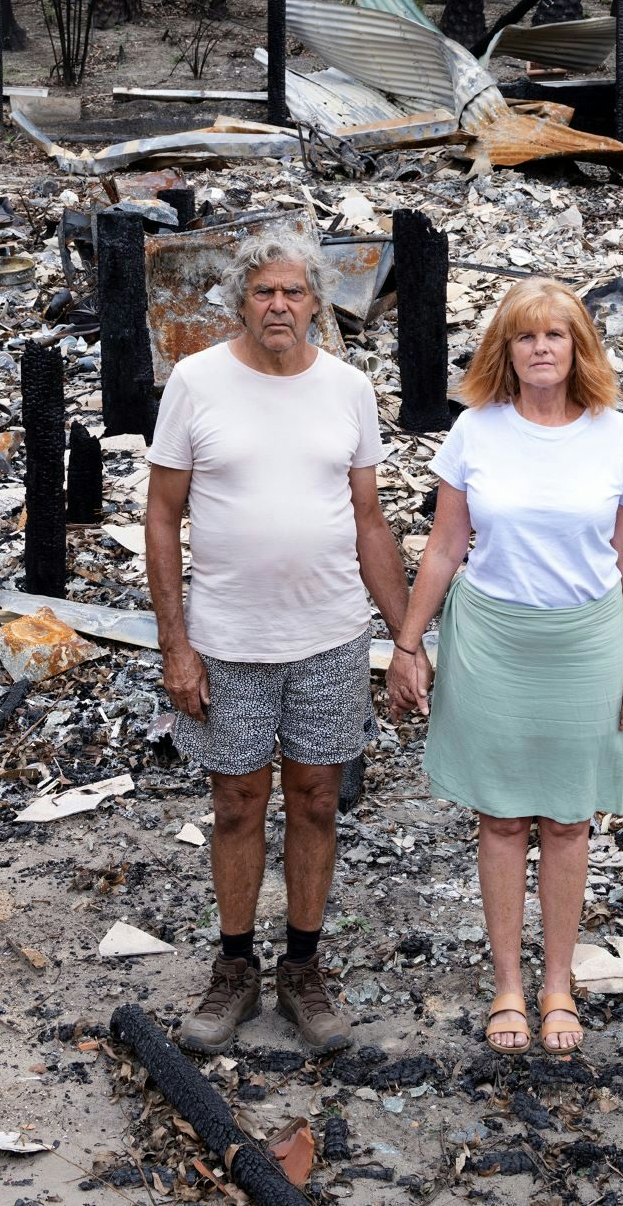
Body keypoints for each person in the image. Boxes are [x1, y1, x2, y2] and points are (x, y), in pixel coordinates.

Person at [145, 231, 409, 1055]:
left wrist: (407, 636)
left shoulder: (348, 389)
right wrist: (175, 645)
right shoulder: (195, 382)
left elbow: (370, 521)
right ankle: (234, 968)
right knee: (235, 804)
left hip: (329, 636)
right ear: (240, 299)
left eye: (294, 292)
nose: (279, 306)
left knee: (318, 799)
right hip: (227, 641)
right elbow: (160, 517)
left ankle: (302, 964)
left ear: (316, 301)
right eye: (264, 291)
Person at [387, 275, 623, 1055]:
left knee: (570, 818)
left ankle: (557, 983)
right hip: (493, 640)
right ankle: (509, 981)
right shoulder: (478, 429)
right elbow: (443, 547)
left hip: (585, 642)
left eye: (556, 334)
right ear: (505, 349)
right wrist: (409, 644)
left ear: (579, 348)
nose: (542, 348)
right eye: (526, 335)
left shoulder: (615, 434)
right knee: (502, 816)